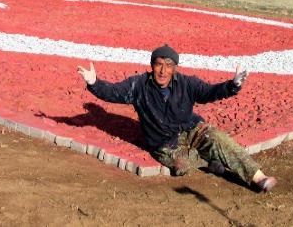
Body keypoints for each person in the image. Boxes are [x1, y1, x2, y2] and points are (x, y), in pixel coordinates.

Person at [77, 44, 277, 192]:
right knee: (182, 167)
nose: (163, 71)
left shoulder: (186, 83)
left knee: (217, 138)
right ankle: (210, 161)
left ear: (175, 68)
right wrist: (94, 83)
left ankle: (258, 178)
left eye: (169, 65)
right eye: (159, 65)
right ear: (152, 66)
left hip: (191, 129)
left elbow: (209, 92)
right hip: (164, 143)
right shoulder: (138, 86)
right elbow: (113, 92)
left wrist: (232, 85)